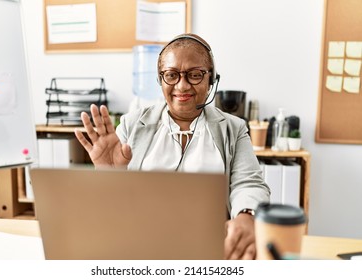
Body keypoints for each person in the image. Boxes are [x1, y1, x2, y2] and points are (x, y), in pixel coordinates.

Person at [74, 33, 270, 260]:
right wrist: (109, 174)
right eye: (171, 75)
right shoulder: (131, 124)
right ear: (160, 80)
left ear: (211, 80)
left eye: (195, 75)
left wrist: (247, 215)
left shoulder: (233, 128)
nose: (182, 85)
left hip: (212, 249)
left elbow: (249, 182)